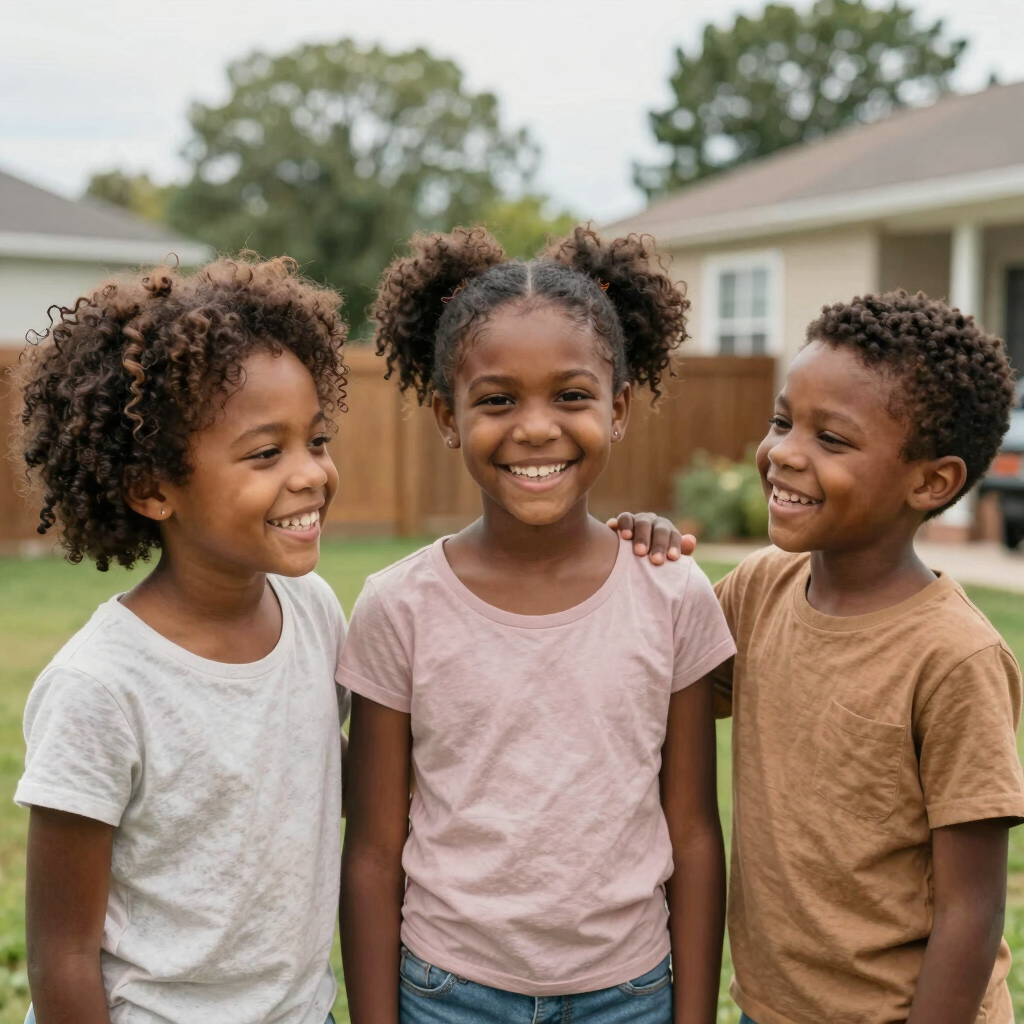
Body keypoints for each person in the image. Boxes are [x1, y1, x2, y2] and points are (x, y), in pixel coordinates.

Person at [338, 226, 736, 1024]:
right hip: (448, 990)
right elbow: (374, 854)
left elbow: (693, 835)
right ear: (448, 418)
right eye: (496, 400)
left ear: (618, 408)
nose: (534, 427)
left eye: (571, 395)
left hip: (628, 992)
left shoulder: (672, 595)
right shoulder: (397, 606)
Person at [629, 290, 1024, 1024]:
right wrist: (642, 558)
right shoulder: (759, 588)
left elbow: (973, 910)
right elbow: (650, 679)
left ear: (931, 482)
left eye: (831, 440)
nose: (783, 451)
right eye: (783, 421)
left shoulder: (954, 657)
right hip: (771, 1006)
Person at [15, 256, 350, 1024]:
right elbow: (60, 957)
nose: (310, 474)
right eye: (267, 453)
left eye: (317, 439)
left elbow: (324, 776)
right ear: (153, 489)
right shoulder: (101, 686)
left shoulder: (313, 611)